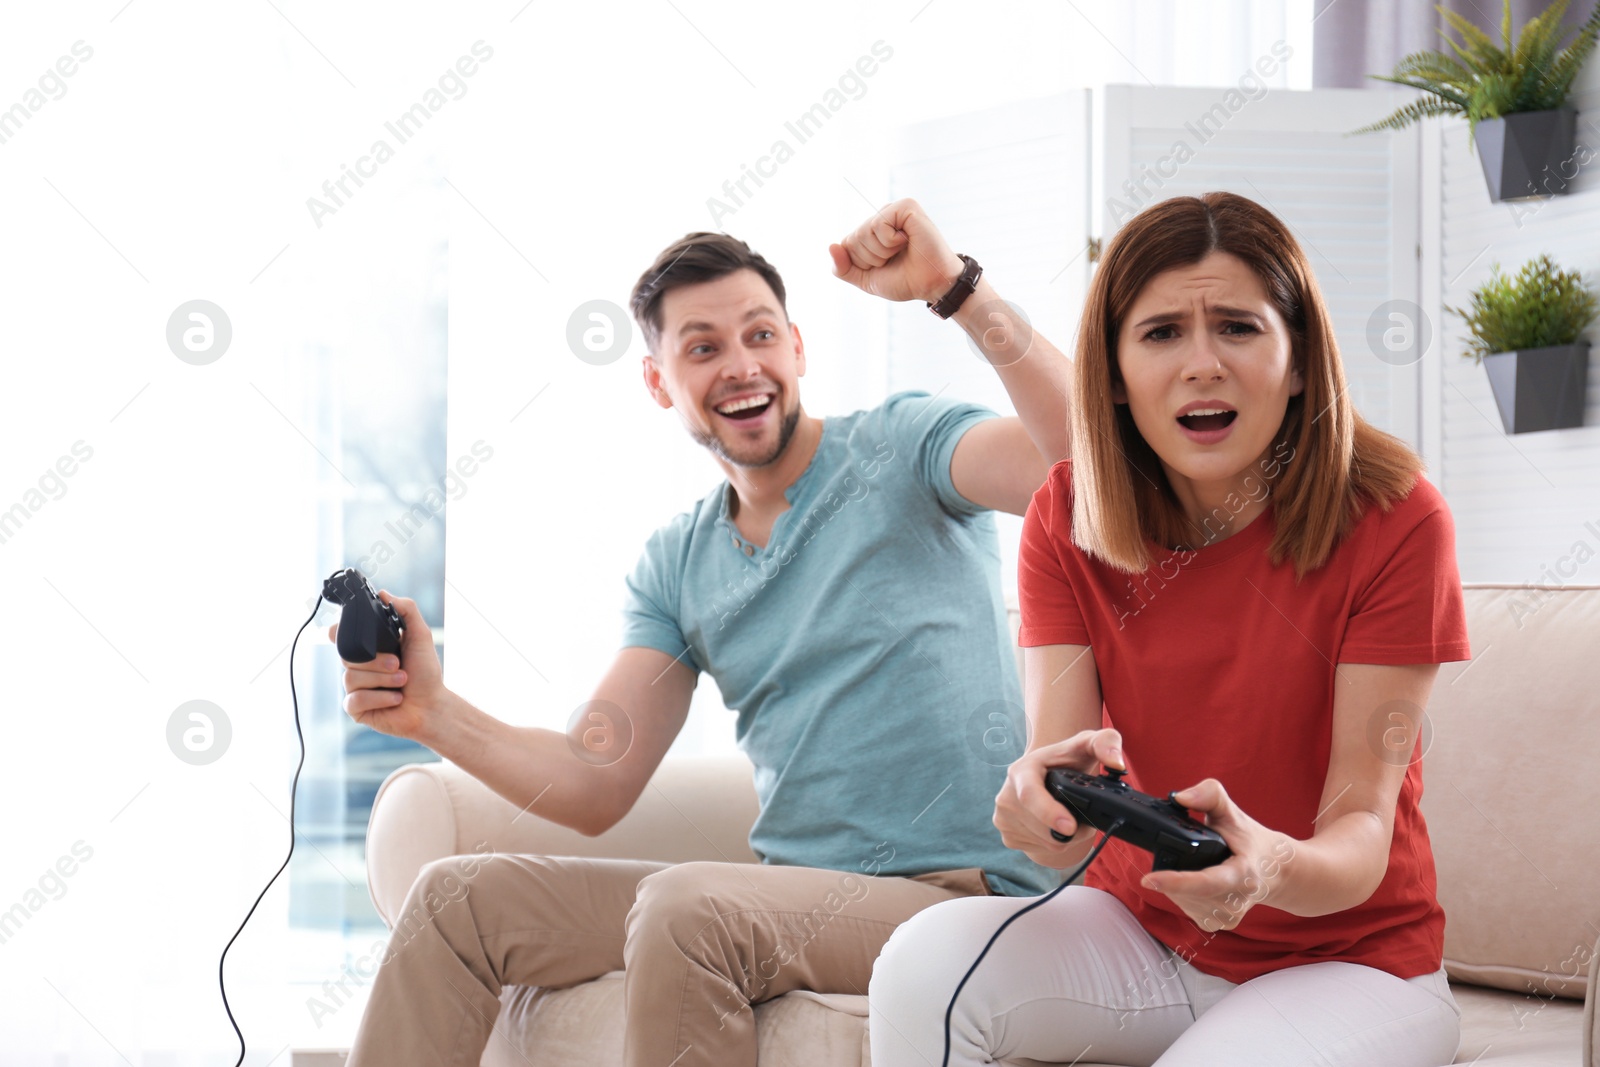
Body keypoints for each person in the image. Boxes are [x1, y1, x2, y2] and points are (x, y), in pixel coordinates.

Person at [334, 200, 1077, 1067]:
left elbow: (1076, 462)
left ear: (798, 347)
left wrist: (956, 288)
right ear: (659, 383)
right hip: (784, 899)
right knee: (454, 900)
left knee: (689, 909)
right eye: (702, 347)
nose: (741, 366)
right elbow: (594, 777)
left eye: (761, 335)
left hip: (958, 894)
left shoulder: (906, 449)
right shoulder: (678, 564)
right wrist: (431, 712)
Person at [867, 191, 1471, 1067]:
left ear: (1298, 359)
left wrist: (1268, 867)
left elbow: (1361, 839)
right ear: (1110, 373)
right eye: (1160, 334)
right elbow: (1064, 759)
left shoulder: (1395, 520)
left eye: (1237, 327)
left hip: (1351, 963)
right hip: (1143, 935)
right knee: (922, 966)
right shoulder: (1067, 515)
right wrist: (1041, 806)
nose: (1203, 365)